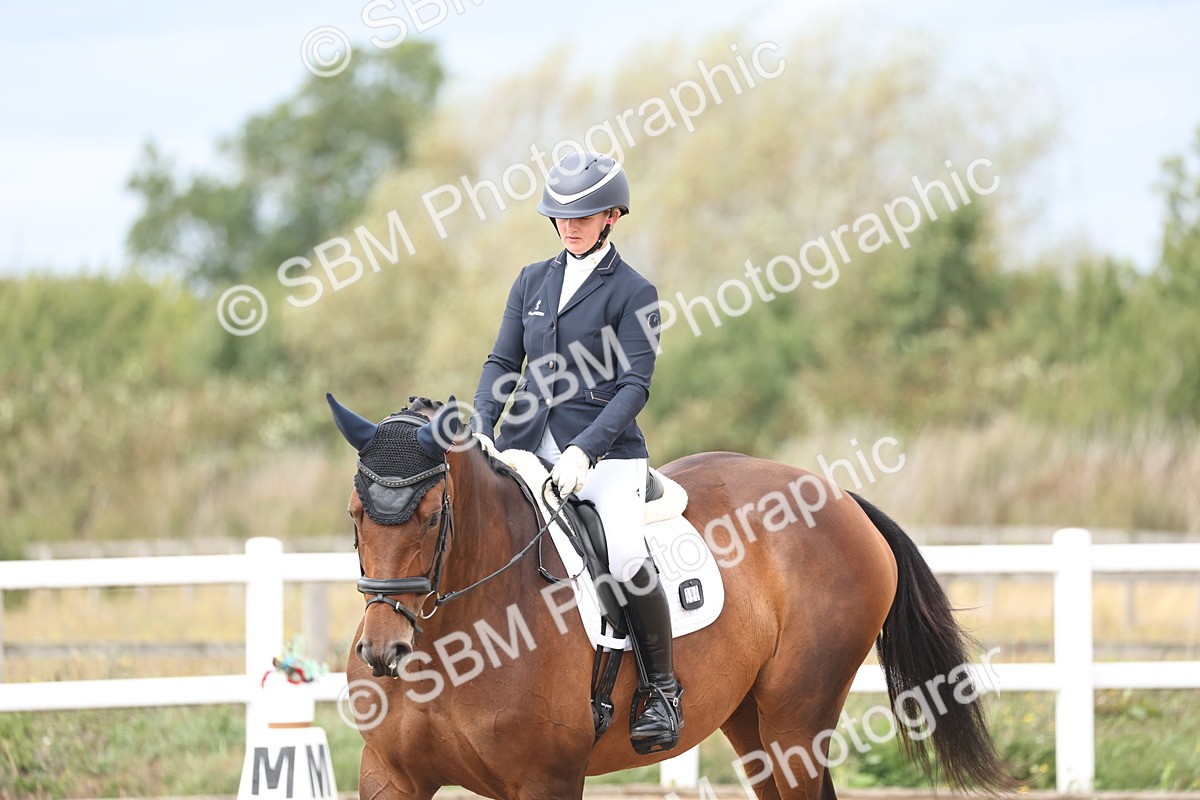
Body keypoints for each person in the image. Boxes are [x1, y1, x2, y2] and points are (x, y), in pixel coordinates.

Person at [470, 150, 682, 752]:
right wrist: (484, 426)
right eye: (561, 216)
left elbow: (635, 385)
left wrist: (587, 450)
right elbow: (502, 362)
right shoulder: (532, 280)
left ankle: (661, 691)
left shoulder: (634, 291)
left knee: (622, 556)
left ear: (613, 215)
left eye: (585, 216)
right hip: (525, 447)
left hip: (608, 457)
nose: (571, 226)